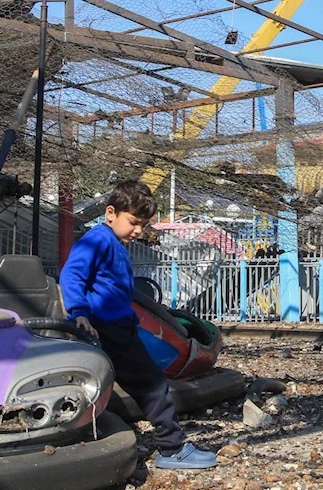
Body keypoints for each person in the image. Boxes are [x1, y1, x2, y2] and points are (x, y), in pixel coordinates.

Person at [59, 180, 217, 470]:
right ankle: (172, 449)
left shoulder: (112, 243)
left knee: (112, 386)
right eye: (133, 223)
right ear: (110, 213)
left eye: (142, 225)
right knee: (154, 385)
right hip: (107, 329)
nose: (138, 231)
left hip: (116, 327)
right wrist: (79, 312)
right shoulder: (98, 240)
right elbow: (71, 275)